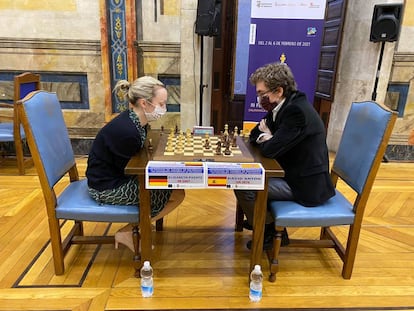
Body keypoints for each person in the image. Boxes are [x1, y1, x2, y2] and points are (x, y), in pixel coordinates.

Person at [234, 62, 335, 250]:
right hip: (291, 172)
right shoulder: (282, 106)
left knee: (244, 184)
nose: (258, 98)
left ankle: (269, 232)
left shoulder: (296, 111)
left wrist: (270, 139)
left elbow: (269, 150)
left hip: (305, 184)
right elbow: (256, 134)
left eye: (261, 93)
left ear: (278, 91)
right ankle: (261, 219)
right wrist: (269, 137)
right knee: (246, 179)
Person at [86, 76, 185, 252]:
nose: (164, 108)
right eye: (161, 104)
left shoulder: (137, 121)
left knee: (173, 188)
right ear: (144, 103)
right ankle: (130, 230)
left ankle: (140, 224)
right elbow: (133, 170)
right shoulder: (128, 131)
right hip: (106, 187)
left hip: (115, 176)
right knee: (176, 194)